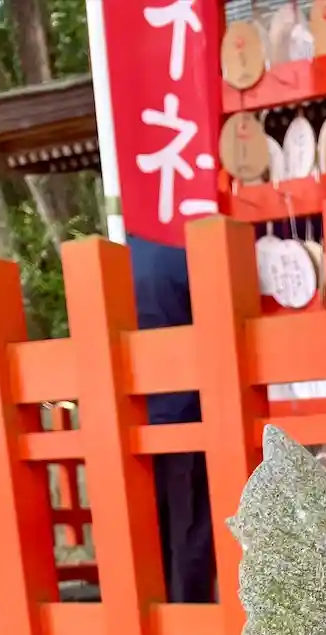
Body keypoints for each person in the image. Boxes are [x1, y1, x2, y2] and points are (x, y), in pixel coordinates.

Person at [128, 235, 216, 606]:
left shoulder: (123, 254)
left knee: (147, 530)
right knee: (190, 528)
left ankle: (154, 614)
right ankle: (190, 614)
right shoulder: (187, 251)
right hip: (187, 412)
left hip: (132, 415)